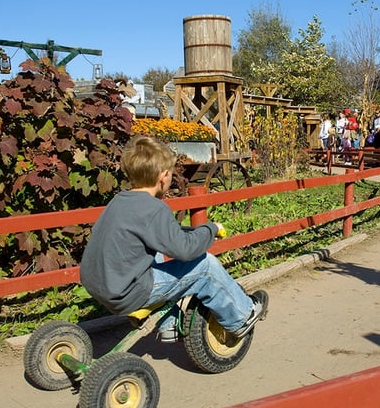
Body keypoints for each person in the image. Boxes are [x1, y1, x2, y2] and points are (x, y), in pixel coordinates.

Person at [80, 135, 269, 342]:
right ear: (163, 176)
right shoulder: (153, 208)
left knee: (159, 256)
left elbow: (158, 237)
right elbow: (186, 250)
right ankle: (242, 317)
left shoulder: (119, 201)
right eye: (170, 175)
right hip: (127, 292)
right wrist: (210, 229)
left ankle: (168, 324)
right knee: (204, 266)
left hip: (100, 286)